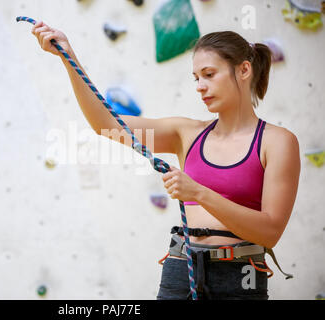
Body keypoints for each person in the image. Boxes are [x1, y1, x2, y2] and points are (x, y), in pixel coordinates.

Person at [31, 21, 301, 300]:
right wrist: (68, 58)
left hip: (241, 275)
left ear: (244, 70)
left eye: (209, 74)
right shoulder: (185, 133)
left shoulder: (277, 141)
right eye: (196, 78)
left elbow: (270, 232)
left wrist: (197, 192)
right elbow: (105, 123)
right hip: (181, 268)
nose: (200, 86)